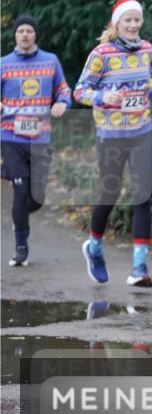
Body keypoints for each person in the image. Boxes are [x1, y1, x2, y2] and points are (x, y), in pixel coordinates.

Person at [74, 0, 152, 287]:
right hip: (111, 134)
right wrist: (103, 98)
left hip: (141, 130)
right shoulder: (101, 54)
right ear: (116, 24)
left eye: (137, 20)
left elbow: (146, 80)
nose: (133, 25)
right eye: (127, 20)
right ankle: (94, 247)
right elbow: (80, 91)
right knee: (110, 194)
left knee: (143, 195)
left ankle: (140, 268)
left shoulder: (147, 49)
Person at [1, 15, 71, 266]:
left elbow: (63, 89)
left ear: (35, 35)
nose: (25, 35)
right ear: (15, 35)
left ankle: (19, 219)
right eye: (21, 31)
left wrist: (62, 102)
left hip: (40, 137)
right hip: (11, 136)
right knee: (20, 191)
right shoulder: (3, 64)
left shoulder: (50, 61)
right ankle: (21, 245)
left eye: (30, 30)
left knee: (37, 198)